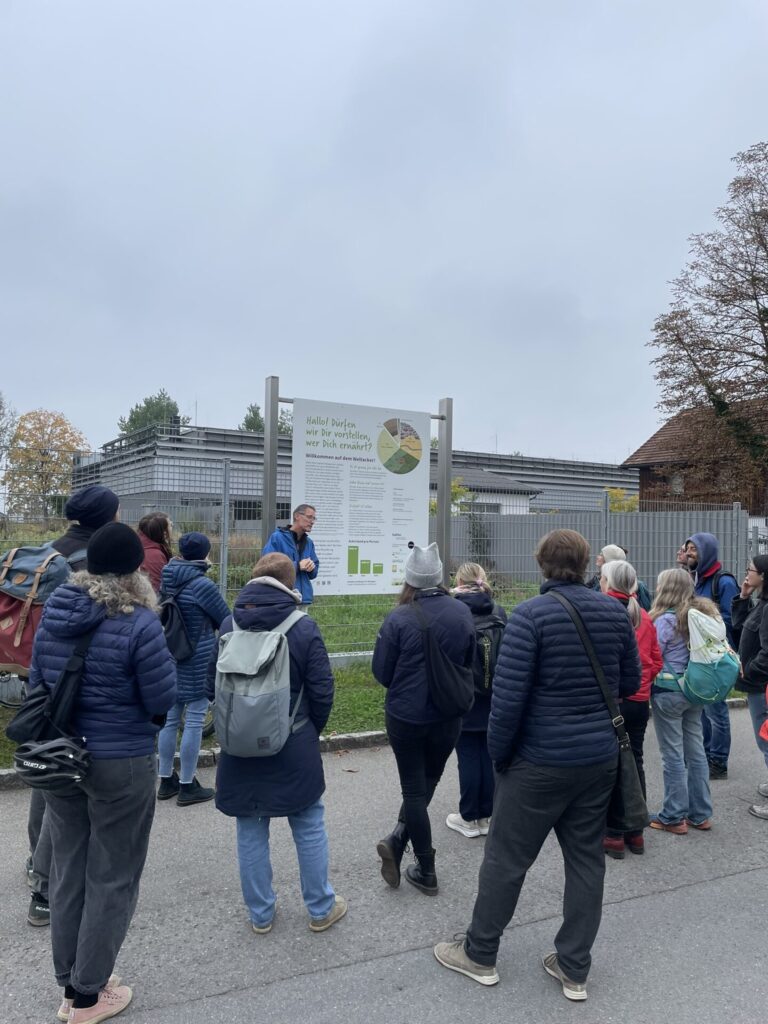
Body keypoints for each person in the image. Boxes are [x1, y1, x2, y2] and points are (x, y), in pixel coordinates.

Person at [433, 529, 640, 1000]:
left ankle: (480, 953)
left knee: (506, 859)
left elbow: (507, 703)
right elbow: (629, 681)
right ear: (588, 565)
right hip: (597, 759)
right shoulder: (614, 611)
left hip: (538, 761)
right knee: (586, 861)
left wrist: (501, 758)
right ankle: (574, 967)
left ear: (542, 565)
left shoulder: (529, 617)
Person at [28, 522, 177, 1024]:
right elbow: (161, 699)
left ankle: (71, 983)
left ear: (88, 566)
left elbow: (38, 687)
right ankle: (89, 997)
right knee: (113, 876)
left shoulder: (53, 616)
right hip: (122, 763)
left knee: (70, 869)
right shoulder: (139, 623)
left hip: (62, 760)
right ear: (138, 569)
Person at [214, 552, 346, 933]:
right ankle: (321, 908)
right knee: (307, 822)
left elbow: (214, 684)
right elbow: (322, 690)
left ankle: (261, 915)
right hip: (293, 738)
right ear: (290, 585)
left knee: (250, 826)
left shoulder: (228, 624)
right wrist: (306, 730)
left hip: (238, 744)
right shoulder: (303, 628)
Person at [27, 484, 121, 928]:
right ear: (105, 516)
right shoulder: (91, 561)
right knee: (68, 784)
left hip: (42, 676)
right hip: (81, 686)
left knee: (47, 774)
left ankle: (36, 865)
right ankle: (45, 889)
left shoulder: (49, 551)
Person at [373, 543, 475, 895]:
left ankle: (426, 869)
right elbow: (468, 659)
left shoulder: (398, 617)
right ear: (441, 577)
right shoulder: (462, 613)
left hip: (406, 716)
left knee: (414, 790)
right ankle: (398, 840)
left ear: (409, 579)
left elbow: (382, 672)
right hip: (448, 716)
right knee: (429, 780)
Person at [156, 532, 230, 805]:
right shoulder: (202, 585)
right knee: (196, 718)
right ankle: (188, 784)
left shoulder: (168, 577)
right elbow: (226, 618)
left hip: (170, 654)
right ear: (205, 554)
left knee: (169, 719)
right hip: (198, 657)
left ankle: (166, 780)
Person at [600, 560, 663, 858]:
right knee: (635, 761)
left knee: (612, 766)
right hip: (640, 701)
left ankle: (613, 834)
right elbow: (656, 660)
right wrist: (644, 684)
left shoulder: (602, 612)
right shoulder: (645, 617)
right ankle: (636, 832)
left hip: (614, 701)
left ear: (607, 582)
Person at [648, 568, 715, 834]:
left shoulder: (664, 621)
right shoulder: (699, 617)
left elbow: (654, 656)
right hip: (694, 690)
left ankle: (673, 815)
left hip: (668, 691)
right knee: (696, 751)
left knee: (672, 755)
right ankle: (701, 814)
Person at [445, 562, 507, 839]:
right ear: (483, 580)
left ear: (458, 580)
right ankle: (488, 815)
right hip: (495, 693)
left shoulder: (453, 611)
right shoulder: (499, 611)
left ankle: (468, 817)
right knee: (488, 754)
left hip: (464, 693)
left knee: (468, 755)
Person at [684, 533, 740, 780]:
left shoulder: (723, 582)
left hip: (716, 656)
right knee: (704, 707)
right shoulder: (696, 579)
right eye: (687, 549)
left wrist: (701, 623)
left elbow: (731, 619)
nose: (688, 554)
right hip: (701, 655)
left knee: (716, 710)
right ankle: (706, 755)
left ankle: (718, 761)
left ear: (706, 551)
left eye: (693, 549)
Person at [731, 554, 768, 819]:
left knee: (766, 741)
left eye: (751, 570)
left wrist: (749, 669)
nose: (746, 573)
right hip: (756, 685)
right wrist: (743, 597)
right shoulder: (761, 604)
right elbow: (739, 629)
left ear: (764, 576)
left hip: (762, 686)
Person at [262, 504, 319, 605]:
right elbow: (267, 567)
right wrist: (297, 566)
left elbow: (314, 573)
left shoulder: (309, 543)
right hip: (282, 600)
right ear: (297, 516)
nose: (312, 522)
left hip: (303, 600)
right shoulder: (277, 538)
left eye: (314, 518)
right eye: (309, 517)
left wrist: (312, 567)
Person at [136, 513, 173, 593]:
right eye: (170, 525)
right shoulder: (154, 556)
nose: (172, 528)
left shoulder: (142, 546)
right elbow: (156, 588)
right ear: (164, 532)